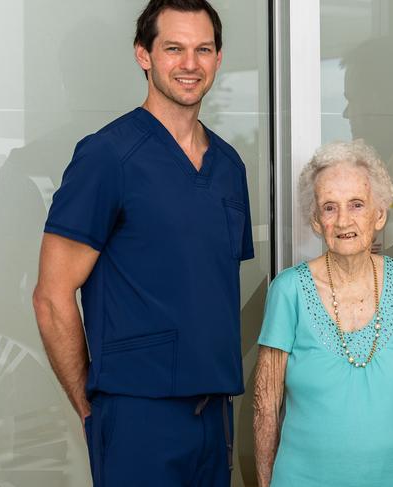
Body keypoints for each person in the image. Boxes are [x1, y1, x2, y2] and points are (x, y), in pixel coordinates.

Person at [32, 1, 253, 485]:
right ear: (143, 55)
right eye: (173, 48)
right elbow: (51, 296)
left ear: (218, 58)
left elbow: (208, 289)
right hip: (138, 416)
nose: (190, 63)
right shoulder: (107, 156)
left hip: (215, 414)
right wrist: (91, 407)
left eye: (203, 49)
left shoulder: (230, 168)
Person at [253, 140, 393, 487]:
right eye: (329, 208)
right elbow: (265, 406)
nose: (343, 220)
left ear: (380, 214)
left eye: (357, 205)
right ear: (315, 220)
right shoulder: (289, 290)